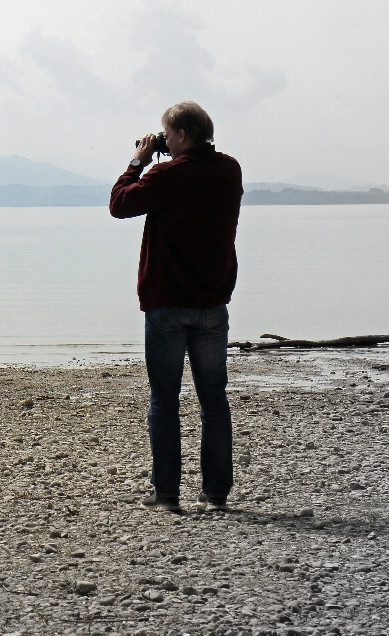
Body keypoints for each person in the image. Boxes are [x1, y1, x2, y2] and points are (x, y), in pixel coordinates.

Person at [110, 101, 242, 513]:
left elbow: (119, 204)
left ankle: (166, 496)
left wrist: (137, 161)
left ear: (181, 136)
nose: (163, 141)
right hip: (212, 303)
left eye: (167, 135)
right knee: (213, 399)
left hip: (167, 305)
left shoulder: (165, 174)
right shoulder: (229, 170)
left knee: (164, 399)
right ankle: (216, 493)